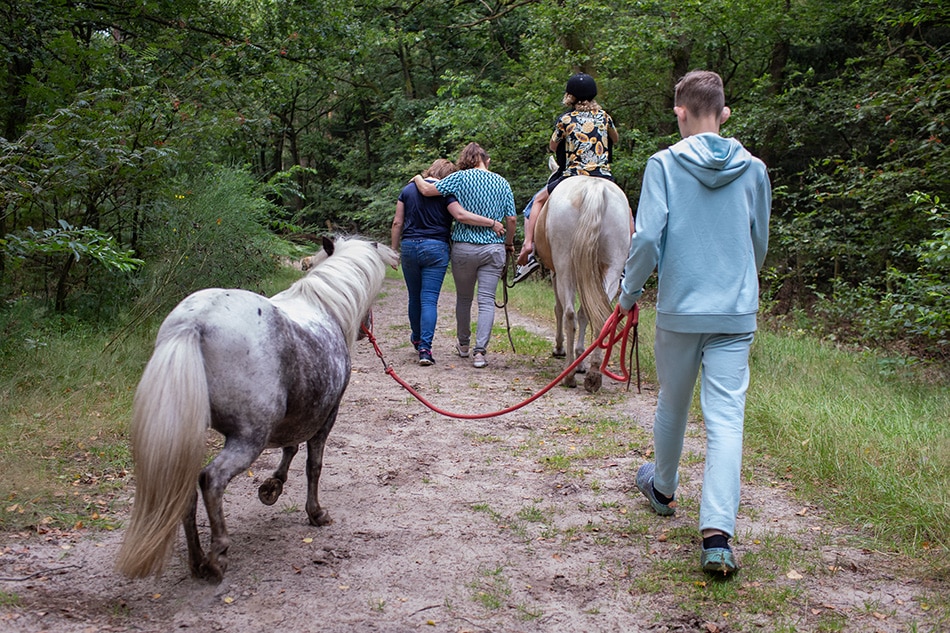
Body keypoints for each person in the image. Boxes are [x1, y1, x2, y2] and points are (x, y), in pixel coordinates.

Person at [618, 70, 771, 576]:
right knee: (727, 419)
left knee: (673, 401)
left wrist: (630, 292)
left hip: (681, 309)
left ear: (680, 113)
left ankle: (662, 488)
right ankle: (717, 536)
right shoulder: (754, 170)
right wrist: (742, 284)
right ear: (723, 114)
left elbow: (646, 240)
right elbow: (759, 240)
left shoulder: (663, 164)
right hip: (735, 310)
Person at [393, 158, 506, 366]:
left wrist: (393, 250)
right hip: (436, 248)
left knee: (414, 297)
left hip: (409, 246)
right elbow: (460, 215)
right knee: (429, 299)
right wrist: (492, 224)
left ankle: (417, 338)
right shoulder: (446, 193)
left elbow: (397, 221)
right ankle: (425, 350)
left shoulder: (408, 189)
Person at [413, 143, 517, 369]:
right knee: (487, 300)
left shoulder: (459, 178)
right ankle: (480, 352)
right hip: (493, 248)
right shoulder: (502, 182)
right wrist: (508, 243)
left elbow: (428, 190)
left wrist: (417, 178)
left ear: (466, 160)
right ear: (486, 160)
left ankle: (463, 345)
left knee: (464, 298)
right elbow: (511, 219)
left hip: (464, 248)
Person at [514, 72, 619, 283]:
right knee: (624, 211)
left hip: (572, 175)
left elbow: (553, 146)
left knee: (537, 201)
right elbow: (615, 139)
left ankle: (529, 249)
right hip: (604, 177)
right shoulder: (604, 116)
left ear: (570, 96)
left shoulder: (565, 119)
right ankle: (624, 261)